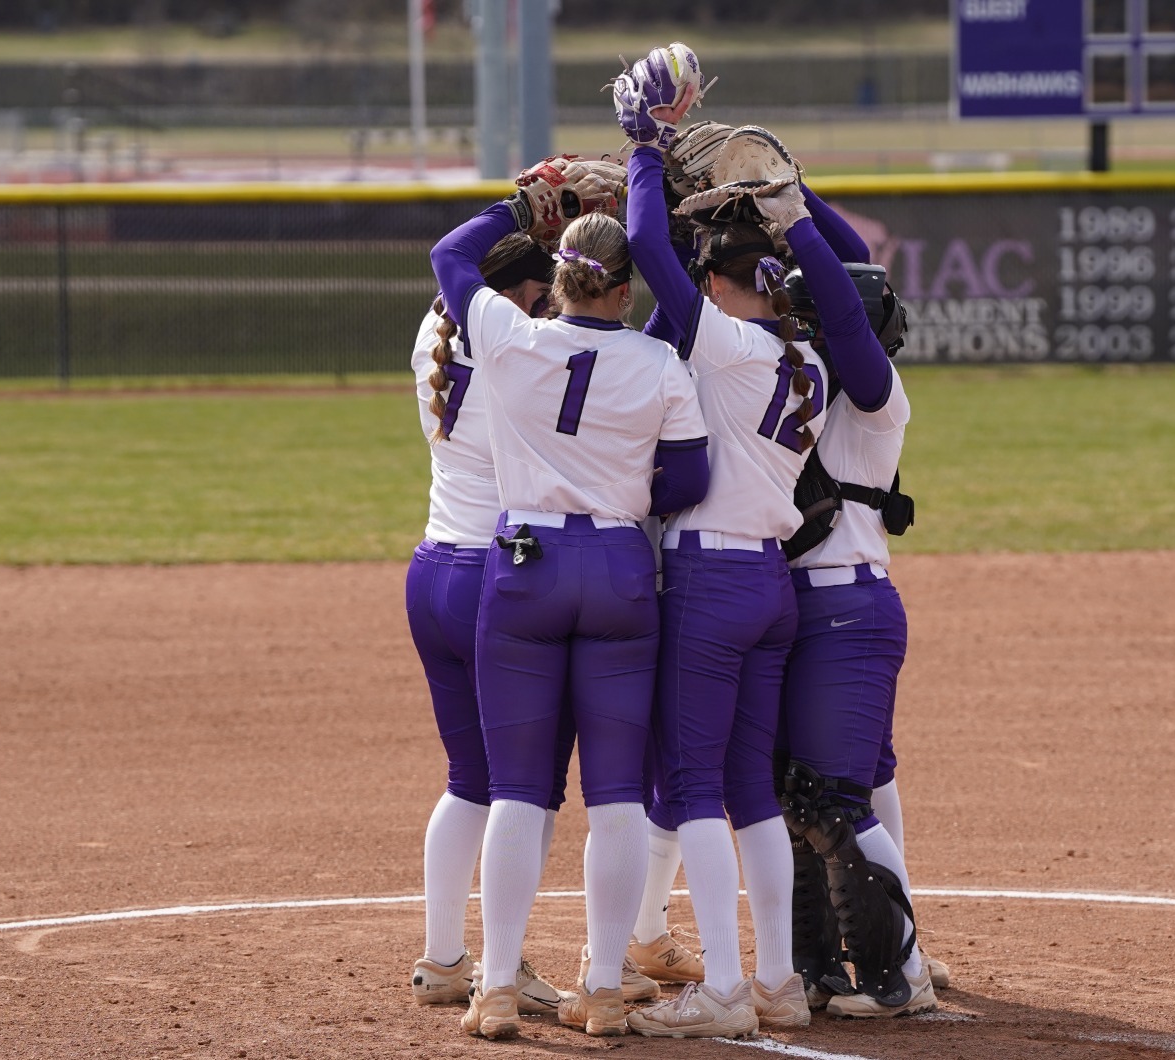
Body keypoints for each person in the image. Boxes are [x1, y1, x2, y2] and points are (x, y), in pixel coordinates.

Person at [430, 201, 710, 1041]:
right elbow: (688, 479)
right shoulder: (659, 360)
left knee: (519, 787)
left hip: (524, 565)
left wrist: (523, 201)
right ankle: (601, 986)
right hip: (621, 567)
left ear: (555, 277)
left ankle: (498, 989)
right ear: (623, 290)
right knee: (618, 790)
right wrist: (624, 497)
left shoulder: (513, 338)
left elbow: (451, 255)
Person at [608, 62, 826, 1038]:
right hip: (771, 586)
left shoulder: (726, 348)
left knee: (694, 783)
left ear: (713, 280)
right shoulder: (802, 357)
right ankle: (777, 980)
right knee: (748, 789)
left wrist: (645, 150)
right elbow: (678, 258)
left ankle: (728, 993)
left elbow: (646, 245)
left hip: (706, 580)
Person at [759, 180, 937, 1019]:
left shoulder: (873, 392)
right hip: (803, 610)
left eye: (806, 319)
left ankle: (903, 969)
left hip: (847, 612)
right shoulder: (793, 389)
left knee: (831, 802)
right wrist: (790, 198)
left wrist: (796, 220)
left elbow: (849, 281)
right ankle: (822, 966)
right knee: (799, 797)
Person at [404, 232, 576, 1014]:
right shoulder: (520, 352)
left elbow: (463, 266)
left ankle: (443, 958)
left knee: (468, 780)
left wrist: (523, 207)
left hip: (433, 569)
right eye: (541, 297)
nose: (549, 309)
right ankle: (503, 965)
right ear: (512, 299)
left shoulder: (434, 329)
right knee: (527, 789)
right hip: (494, 579)